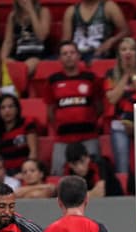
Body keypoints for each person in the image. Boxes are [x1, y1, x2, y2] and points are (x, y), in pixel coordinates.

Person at [45, 40, 102, 175]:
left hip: (89, 137)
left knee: (95, 172)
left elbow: (99, 106)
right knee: (57, 174)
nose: (69, 56)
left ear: (78, 56)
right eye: (65, 53)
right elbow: (50, 110)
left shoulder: (91, 78)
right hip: (63, 139)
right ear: (59, 58)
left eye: (72, 52)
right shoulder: (53, 80)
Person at [105, 37, 136, 174]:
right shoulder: (111, 74)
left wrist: (133, 73)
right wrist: (126, 75)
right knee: (122, 165)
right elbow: (112, 98)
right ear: (118, 54)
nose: (128, 53)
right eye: (124, 49)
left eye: (132, 49)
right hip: (120, 123)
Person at [0, 93, 38, 176]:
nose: (7, 110)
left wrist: (25, 172)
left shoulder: (27, 123)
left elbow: (33, 153)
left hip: (22, 171)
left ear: (17, 109)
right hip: (0, 173)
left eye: (11, 106)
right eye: (3, 108)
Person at [61, 0, 129, 63]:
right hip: (76, 54)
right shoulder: (71, 11)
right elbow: (66, 40)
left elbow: (125, 31)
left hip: (100, 52)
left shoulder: (108, 7)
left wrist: (111, 41)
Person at [0, 0, 52, 77]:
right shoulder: (13, 16)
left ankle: (18, 86)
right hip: (19, 54)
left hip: (37, 54)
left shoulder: (43, 11)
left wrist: (31, 11)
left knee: (26, 67)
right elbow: (8, 41)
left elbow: (42, 36)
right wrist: (2, 58)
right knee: (7, 64)